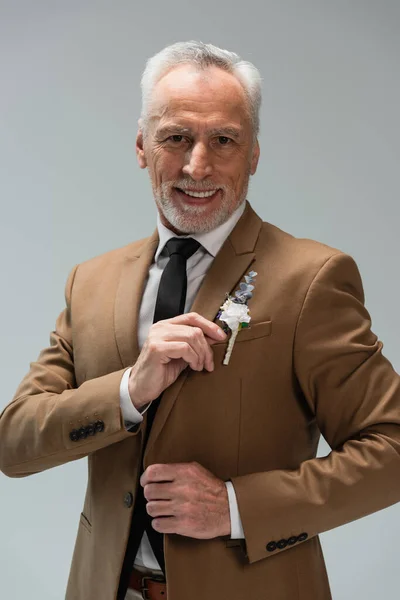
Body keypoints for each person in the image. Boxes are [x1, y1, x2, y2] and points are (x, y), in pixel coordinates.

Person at [1, 40, 400, 600]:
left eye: (224, 140)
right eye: (176, 138)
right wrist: (126, 392)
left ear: (254, 154)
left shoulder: (313, 279)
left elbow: (393, 447)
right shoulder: (90, 282)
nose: (198, 165)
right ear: (142, 146)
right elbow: (14, 442)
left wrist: (236, 507)